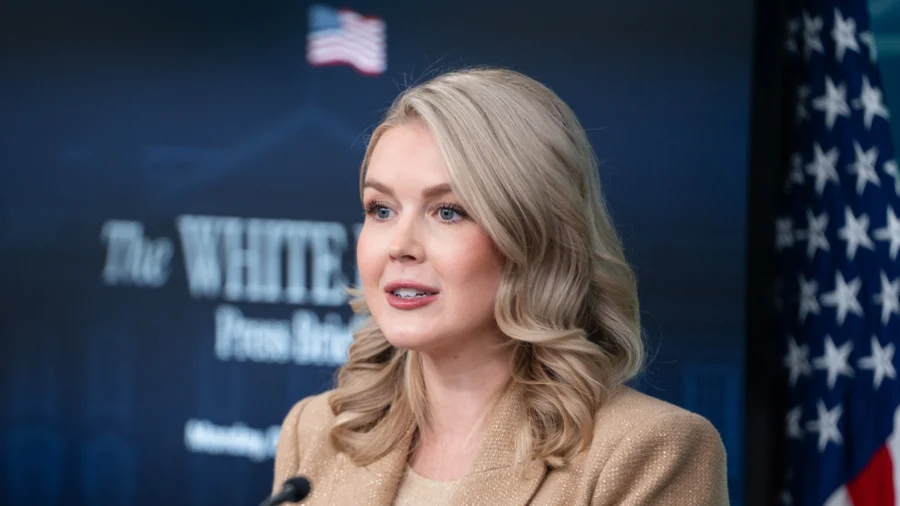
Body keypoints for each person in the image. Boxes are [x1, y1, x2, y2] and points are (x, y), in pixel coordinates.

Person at [272, 67, 729, 505]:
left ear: (533, 236)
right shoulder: (315, 430)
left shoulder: (648, 450)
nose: (399, 246)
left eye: (447, 211)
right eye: (381, 210)